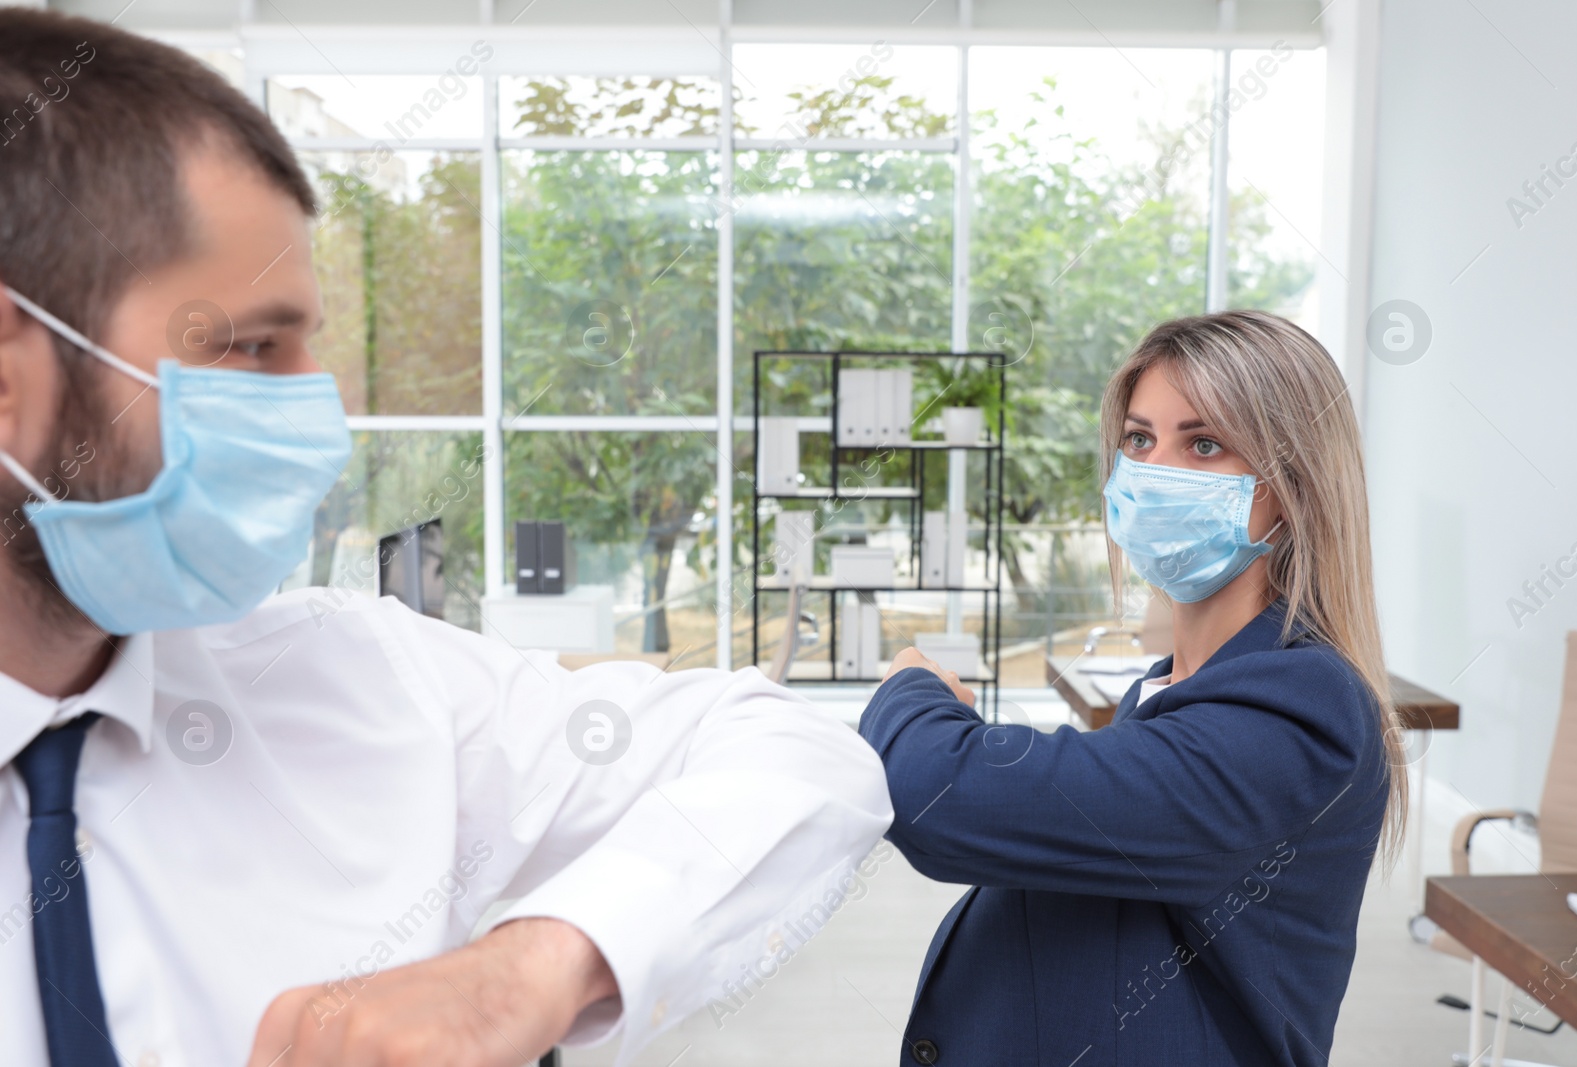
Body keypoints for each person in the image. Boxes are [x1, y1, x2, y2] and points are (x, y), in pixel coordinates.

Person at [0, 11, 892, 1067]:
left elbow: (804, 758)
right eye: (247, 346)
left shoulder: (362, 680)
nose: (319, 420)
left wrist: (541, 957)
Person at [862, 310, 1406, 1067]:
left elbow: (941, 795)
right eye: (1140, 440)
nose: (1156, 472)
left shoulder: (1300, 707)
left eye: (1205, 443)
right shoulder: (1166, 692)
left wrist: (911, 690)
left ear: (1289, 489)